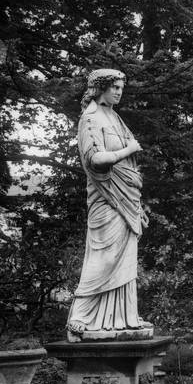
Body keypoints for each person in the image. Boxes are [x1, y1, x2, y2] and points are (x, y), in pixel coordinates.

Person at [66, 69, 152, 341]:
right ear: (98, 88)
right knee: (104, 257)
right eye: (114, 87)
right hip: (106, 199)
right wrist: (129, 150)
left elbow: (126, 167)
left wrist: (138, 206)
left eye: (121, 87)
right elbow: (96, 160)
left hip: (127, 199)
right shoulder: (90, 118)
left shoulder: (114, 116)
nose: (118, 91)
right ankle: (79, 316)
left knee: (125, 259)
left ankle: (122, 316)